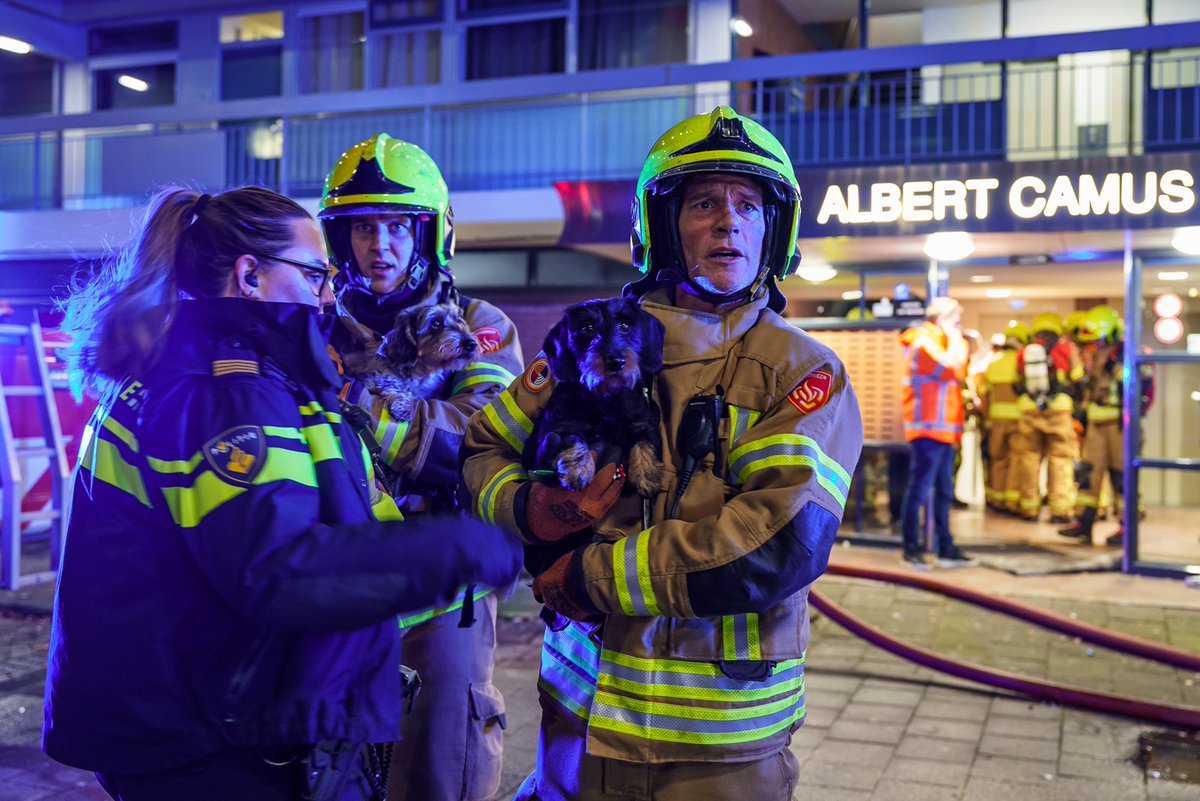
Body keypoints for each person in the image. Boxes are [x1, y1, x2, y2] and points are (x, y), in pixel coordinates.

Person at [42, 186, 522, 801]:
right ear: (251, 276)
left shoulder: (240, 369)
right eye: (315, 273)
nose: (329, 292)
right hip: (216, 738)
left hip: (215, 714)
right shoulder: (226, 389)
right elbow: (276, 569)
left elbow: (360, 494)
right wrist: (462, 546)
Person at [462, 106, 863, 801]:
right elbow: (482, 447)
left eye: (747, 204)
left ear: (775, 229)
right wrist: (534, 507)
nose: (727, 221)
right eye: (703, 202)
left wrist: (588, 575)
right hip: (576, 729)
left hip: (719, 751)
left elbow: (776, 543)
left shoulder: (801, 371)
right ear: (662, 224)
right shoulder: (596, 339)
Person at [318, 133, 524, 801]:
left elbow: (479, 442)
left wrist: (358, 403)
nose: (380, 245)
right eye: (363, 228)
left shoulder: (479, 327)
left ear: (430, 233)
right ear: (338, 238)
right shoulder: (314, 328)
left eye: (398, 226)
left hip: (443, 599)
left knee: (440, 769)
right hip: (333, 585)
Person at [1058, 305, 1152, 547]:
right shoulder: (1097, 357)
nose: (1094, 347)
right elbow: (1091, 389)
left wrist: (1118, 368)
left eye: (1098, 341)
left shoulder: (1128, 354)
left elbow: (1140, 383)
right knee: (1089, 474)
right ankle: (1084, 523)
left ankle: (1126, 527)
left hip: (1121, 426)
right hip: (1096, 426)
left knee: (1122, 478)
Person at [898, 296, 976, 567]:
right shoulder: (923, 342)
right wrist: (957, 339)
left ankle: (945, 548)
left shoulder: (934, 342)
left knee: (944, 492)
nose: (958, 326)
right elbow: (953, 369)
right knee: (919, 491)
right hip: (927, 430)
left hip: (942, 432)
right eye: (955, 321)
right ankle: (911, 549)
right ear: (943, 320)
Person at [1013, 312, 1085, 523]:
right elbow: (1079, 378)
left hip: (1029, 409)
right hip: (1059, 409)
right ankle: (1059, 511)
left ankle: (1030, 509)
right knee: (1060, 459)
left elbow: (1016, 382)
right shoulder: (1066, 349)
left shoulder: (1024, 352)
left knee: (1029, 458)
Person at [978, 325, 1024, 514]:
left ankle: (996, 500)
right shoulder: (1021, 363)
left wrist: (987, 419)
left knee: (997, 459)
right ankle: (1011, 502)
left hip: (996, 421)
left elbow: (985, 396)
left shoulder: (993, 364)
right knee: (1016, 461)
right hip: (1018, 419)